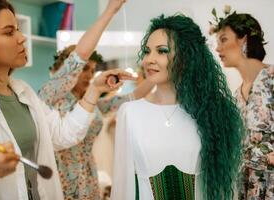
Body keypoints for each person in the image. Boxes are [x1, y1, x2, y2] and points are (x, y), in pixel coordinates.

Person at [0, 0, 132, 199]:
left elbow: (62, 134)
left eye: (17, 30)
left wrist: (94, 90)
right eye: (9, 32)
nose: (22, 38)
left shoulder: (24, 93)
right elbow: (78, 58)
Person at [111, 14, 244, 200]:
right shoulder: (130, 113)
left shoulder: (211, 114)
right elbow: (123, 187)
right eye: (147, 51)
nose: (149, 59)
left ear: (186, 57)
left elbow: (222, 188)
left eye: (162, 51)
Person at [38, 44, 153, 200]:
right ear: (69, 69)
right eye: (85, 69)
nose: (89, 75)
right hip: (62, 174)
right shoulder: (52, 98)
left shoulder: (93, 102)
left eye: (92, 70)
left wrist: (156, 76)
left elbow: (132, 96)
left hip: (88, 173)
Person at [214, 11, 274, 199]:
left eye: (223, 40)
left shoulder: (272, 78)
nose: (217, 48)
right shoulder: (236, 96)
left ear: (243, 40)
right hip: (245, 188)